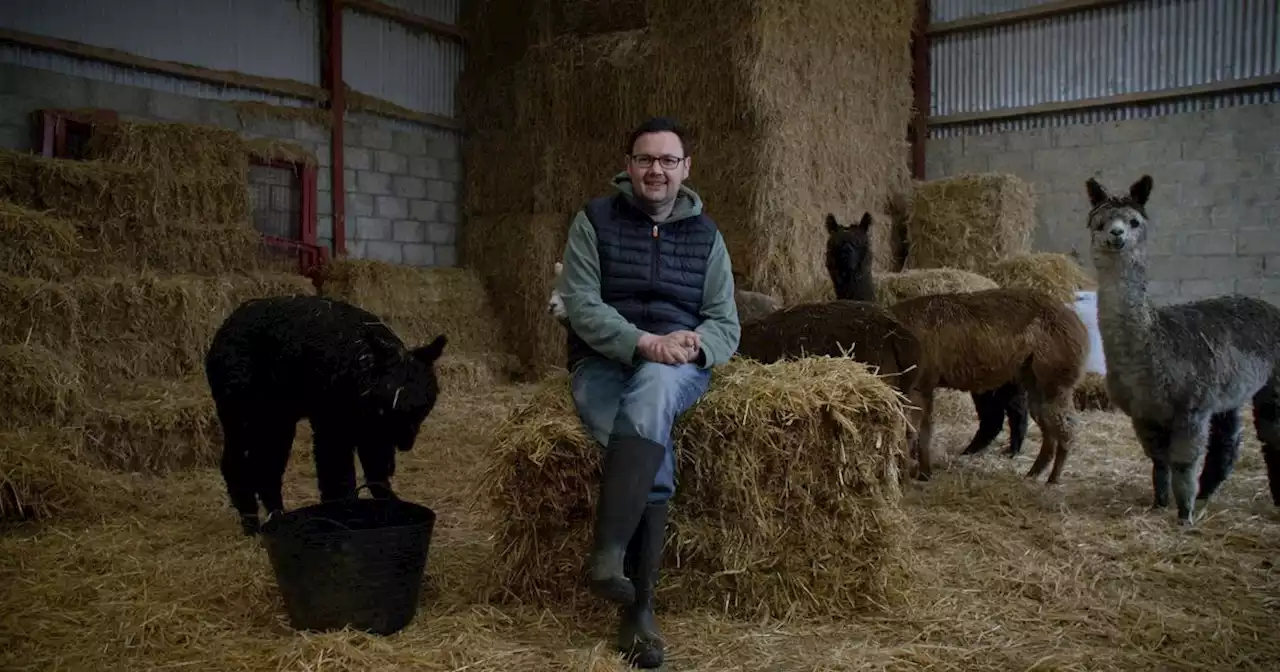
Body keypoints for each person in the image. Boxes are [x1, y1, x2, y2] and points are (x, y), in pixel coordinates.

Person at [555, 116, 741, 668]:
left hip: (676, 365)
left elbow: (725, 323)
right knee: (644, 430)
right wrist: (642, 341)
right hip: (604, 363)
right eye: (644, 159)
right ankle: (638, 609)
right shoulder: (592, 221)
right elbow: (581, 305)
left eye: (667, 160)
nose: (655, 170)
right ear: (628, 166)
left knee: (657, 387)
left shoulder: (708, 237)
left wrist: (688, 346)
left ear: (686, 168)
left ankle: (612, 559)